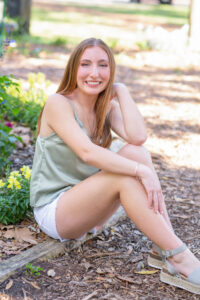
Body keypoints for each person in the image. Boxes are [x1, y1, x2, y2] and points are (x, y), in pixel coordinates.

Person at [30, 38, 200, 294]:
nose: (94, 73)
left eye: (103, 65)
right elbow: (87, 153)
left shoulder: (105, 106)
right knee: (127, 175)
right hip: (55, 211)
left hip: (87, 203)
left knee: (135, 152)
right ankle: (178, 257)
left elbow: (138, 138)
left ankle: (162, 246)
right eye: (86, 64)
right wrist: (140, 171)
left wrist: (121, 90)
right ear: (73, 68)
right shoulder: (58, 103)